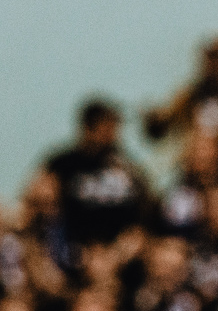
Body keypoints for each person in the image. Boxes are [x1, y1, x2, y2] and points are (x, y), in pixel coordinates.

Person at [44, 99, 152, 250]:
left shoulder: (125, 165)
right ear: (88, 128)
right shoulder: (63, 164)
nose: (114, 135)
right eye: (107, 127)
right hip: (76, 247)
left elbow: (146, 204)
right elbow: (41, 197)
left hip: (122, 248)